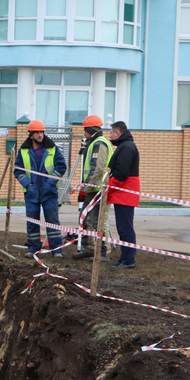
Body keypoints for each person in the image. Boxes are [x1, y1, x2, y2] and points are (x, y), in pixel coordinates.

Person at [14, 120, 67, 257]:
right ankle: (33, 249)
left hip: (49, 192)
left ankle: (57, 250)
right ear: (31, 135)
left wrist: (50, 183)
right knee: (32, 221)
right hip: (32, 192)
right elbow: (18, 171)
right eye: (37, 132)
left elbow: (61, 167)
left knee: (53, 221)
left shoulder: (52, 148)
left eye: (41, 132)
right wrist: (28, 184)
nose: (40, 135)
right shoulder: (24, 151)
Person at [72, 115, 113, 260]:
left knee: (98, 221)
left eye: (85, 130)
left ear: (89, 129)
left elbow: (97, 169)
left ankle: (103, 252)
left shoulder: (99, 144)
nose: (84, 133)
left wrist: (85, 188)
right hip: (93, 190)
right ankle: (88, 248)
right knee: (85, 219)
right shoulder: (94, 142)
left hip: (100, 190)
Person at [107, 121, 140, 269]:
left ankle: (128, 259)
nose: (110, 136)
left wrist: (109, 187)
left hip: (124, 193)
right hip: (122, 193)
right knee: (123, 227)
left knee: (125, 228)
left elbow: (121, 173)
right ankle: (124, 257)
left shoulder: (126, 147)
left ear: (117, 133)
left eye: (111, 133)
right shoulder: (125, 146)